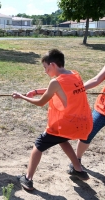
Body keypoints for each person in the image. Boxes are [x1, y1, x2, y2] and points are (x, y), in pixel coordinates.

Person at [12, 49, 93, 191]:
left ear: (53, 65)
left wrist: (22, 96)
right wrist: (36, 90)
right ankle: (78, 170)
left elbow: (41, 102)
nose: (45, 71)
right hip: (81, 123)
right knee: (62, 139)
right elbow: (57, 89)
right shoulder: (75, 74)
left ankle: (28, 179)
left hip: (65, 123)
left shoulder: (56, 81)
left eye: (46, 67)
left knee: (38, 146)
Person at [70, 65, 105, 168]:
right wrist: (79, 89)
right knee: (87, 133)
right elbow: (96, 79)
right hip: (102, 109)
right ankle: (77, 161)